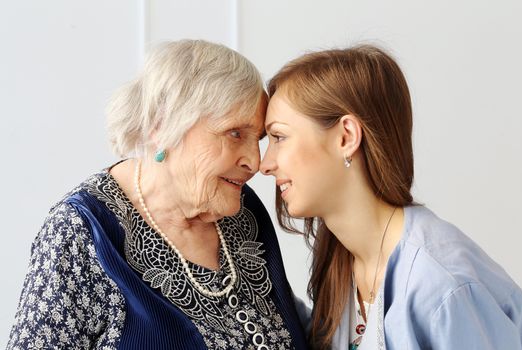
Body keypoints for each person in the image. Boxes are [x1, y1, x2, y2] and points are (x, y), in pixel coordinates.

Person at [8, 40, 308, 349]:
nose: (254, 162)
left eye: (257, 139)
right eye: (235, 134)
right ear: (162, 125)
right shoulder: (82, 231)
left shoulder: (242, 211)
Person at [260, 45, 522, 349]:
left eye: (279, 137)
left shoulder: (440, 285)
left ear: (346, 137)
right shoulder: (341, 260)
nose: (265, 164)